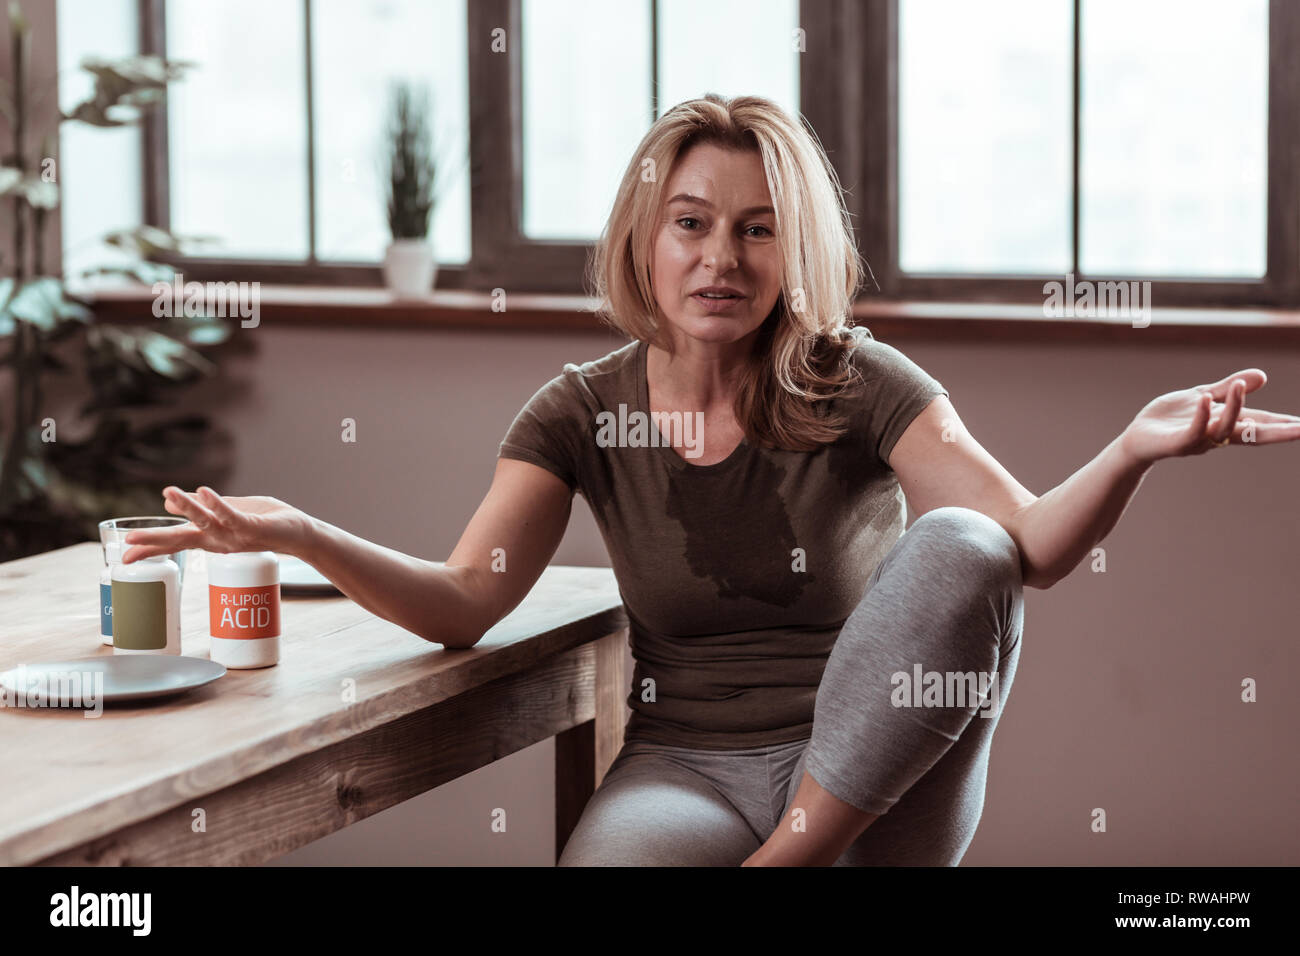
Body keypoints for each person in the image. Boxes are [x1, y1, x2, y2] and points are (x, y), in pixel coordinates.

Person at [121, 94, 1300, 866]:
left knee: (963, 546)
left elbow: (1030, 548)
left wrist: (1135, 446)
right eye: (691, 221)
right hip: (687, 764)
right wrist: (308, 530)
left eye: (757, 227)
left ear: (797, 249)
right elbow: (465, 598)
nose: (720, 258)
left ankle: (788, 860)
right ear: (648, 235)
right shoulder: (580, 410)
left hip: (877, 782)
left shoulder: (859, 378)